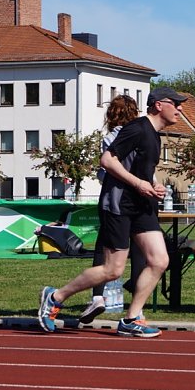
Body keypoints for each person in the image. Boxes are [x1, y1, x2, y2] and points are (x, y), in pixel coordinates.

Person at [38, 87, 187, 337]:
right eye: (176, 104)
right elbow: (107, 160)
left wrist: (152, 184)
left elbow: (142, 170)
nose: (180, 109)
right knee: (113, 270)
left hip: (142, 205)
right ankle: (55, 297)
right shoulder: (137, 128)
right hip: (119, 204)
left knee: (160, 260)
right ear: (159, 105)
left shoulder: (155, 135)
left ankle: (131, 319)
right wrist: (138, 183)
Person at [79, 94, 141, 324]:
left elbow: (107, 169)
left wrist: (102, 173)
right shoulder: (142, 136)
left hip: (115, 199)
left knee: (103, 248)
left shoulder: (111, 138)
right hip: (140, 199)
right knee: (140, 250)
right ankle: (137, 302)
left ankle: (97, 297)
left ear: (111, 115)